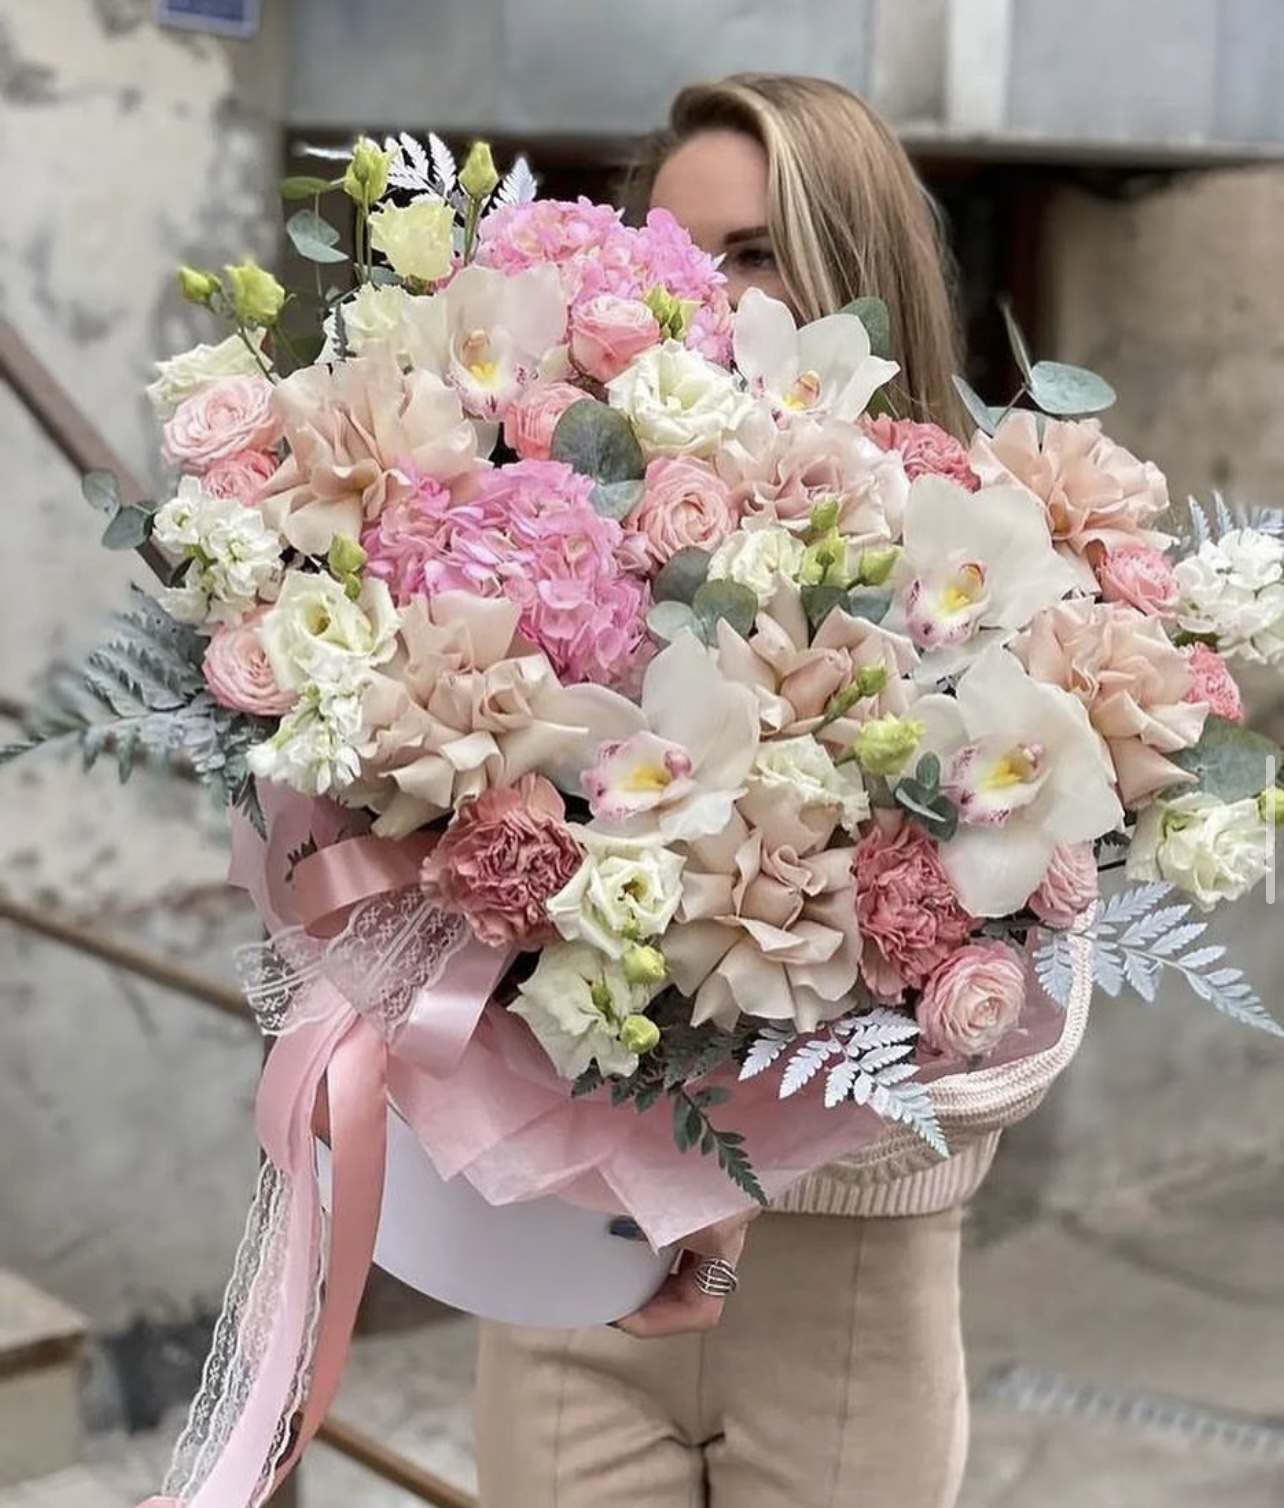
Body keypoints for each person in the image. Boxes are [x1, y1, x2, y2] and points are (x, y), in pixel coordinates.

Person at [474, 73, 1057, 1508]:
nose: (702, 296)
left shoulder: (990, 560)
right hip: (574, 1284)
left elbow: (1038, 1021)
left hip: (842, 1294)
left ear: (851, 273)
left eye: (748, 253)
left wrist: (790, 1123)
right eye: (673, 254)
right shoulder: (543, 541)